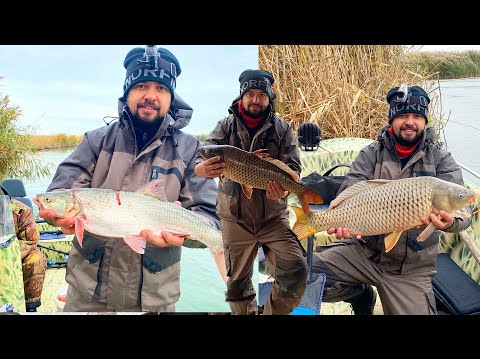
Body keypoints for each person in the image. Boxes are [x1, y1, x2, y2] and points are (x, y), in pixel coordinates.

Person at [37, 45, 221, 312]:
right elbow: (62, 190)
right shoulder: (96, 141)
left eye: (161, 88)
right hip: (87, 296)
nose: (150, 95)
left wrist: (187, 232)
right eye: (141, 86)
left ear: (172, 96)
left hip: (155, 300)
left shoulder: (191, 150)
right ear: (127, 92)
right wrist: (56, 215)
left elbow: (210, 217)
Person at [311, 84, 473, 315]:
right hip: (362, 253)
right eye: (403, 115)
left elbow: (465, 214)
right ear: (391, 120)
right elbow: (351, 188)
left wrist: (449, 223)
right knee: (298, 276)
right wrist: (342, 219)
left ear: (425, 121)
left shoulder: (441, 159)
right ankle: (359, 294)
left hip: (411, 269)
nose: (410, 122)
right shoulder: (371, 154)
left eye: (417, 116)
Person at [194, 69, 307, 315]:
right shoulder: (225, 126)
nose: (255, 100)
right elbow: (200, 160)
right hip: (234, 218)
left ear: (269, 98)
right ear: (242, 96)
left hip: (273, 218)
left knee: (296, 270)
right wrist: (204, 169)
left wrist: (284, 192)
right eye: (250, 94)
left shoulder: (282, 128)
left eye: (261, 95)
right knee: (236, 286)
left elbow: (294, 169)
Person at [0, 185, 47, 312]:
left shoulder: (20, 210)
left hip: (14, 252)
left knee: (36, 259)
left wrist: (8, 255)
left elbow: (31, 239)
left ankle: (30, 306)